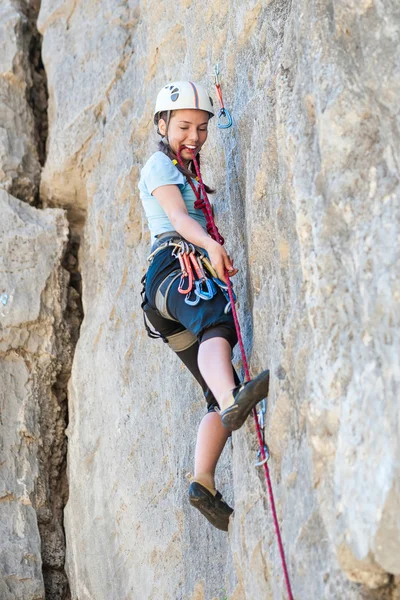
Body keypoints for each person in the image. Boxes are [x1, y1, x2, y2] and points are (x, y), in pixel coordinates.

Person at [139, 81, 269, 531]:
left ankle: (204, 482)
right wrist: (211, 245)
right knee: (218, 322)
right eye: (183, 127)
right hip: (174, 267)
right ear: (162, 125)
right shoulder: (159, 164)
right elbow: (176, 218)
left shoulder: (183, 167)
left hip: (162, 299)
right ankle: (234, 399)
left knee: (216, 386)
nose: (193, 136)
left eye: (201, 128)